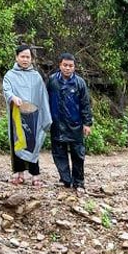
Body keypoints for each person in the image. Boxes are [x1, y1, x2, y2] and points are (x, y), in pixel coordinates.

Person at [3, 45, 52, 186]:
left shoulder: (36, 77)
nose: (25, 59)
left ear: (31, 59)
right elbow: (7, 90)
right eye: (22, 56)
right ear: (16, 57)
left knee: (33, 143)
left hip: (34, 116)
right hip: (17, 116)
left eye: (28, 57)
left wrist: (45, 113)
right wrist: (12, 97)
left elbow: (42, 96)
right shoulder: (10, 75)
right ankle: (19, 174)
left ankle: (35, 175)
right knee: (18, 143)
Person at [47, 53, 93, 190]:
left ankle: (78, 181)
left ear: (74, 67)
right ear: (60, 65)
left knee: (78, 154)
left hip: (75, 124)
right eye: (65, 65)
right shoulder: (52, 81)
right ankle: (66, 180)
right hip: (57, 124)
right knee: (58, 154)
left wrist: (87, 123)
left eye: (70, 66)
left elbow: (85, 104)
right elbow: (45, 100)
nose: (67, 68)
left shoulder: (80, 83)